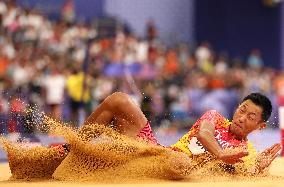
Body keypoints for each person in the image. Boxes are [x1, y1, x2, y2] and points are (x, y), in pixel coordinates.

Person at [79, 92, 281, 175]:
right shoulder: (215, 117)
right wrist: (220, 154)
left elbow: (243, 173)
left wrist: (257, 169)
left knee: (182, 163)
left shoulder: (246, 151)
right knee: (119, 99)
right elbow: (204, 133)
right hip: (156, 151)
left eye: (251, 117)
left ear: (260, 126)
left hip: (177, 171)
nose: (242, 117)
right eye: (242, 110)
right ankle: (72, 148)